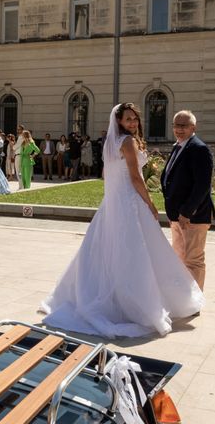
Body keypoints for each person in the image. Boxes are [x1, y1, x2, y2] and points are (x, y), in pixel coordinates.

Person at [41, 103, 204, 338]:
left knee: (110, 249)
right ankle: (136, 303)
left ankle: (113, 296)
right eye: (128, 119)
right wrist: (149, 203)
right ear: (119, 121)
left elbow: (108, 174)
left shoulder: (110, 142)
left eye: (135, 119)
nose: (133, 123)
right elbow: (136, 177)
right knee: (137, 251)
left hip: (113, 202)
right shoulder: (127, 142)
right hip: (129, 200)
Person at [161, 110, 215, 292]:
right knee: (179, 258)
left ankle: (195, 302)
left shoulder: (199, 149)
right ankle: (183, 297)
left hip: (193, 216)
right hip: (177, 216)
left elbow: (202, 186)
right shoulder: (179, 146)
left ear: (193, 127)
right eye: (176, 125)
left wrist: (186, 212)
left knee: (193, 260)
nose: (179, 129)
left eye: (183, 126)